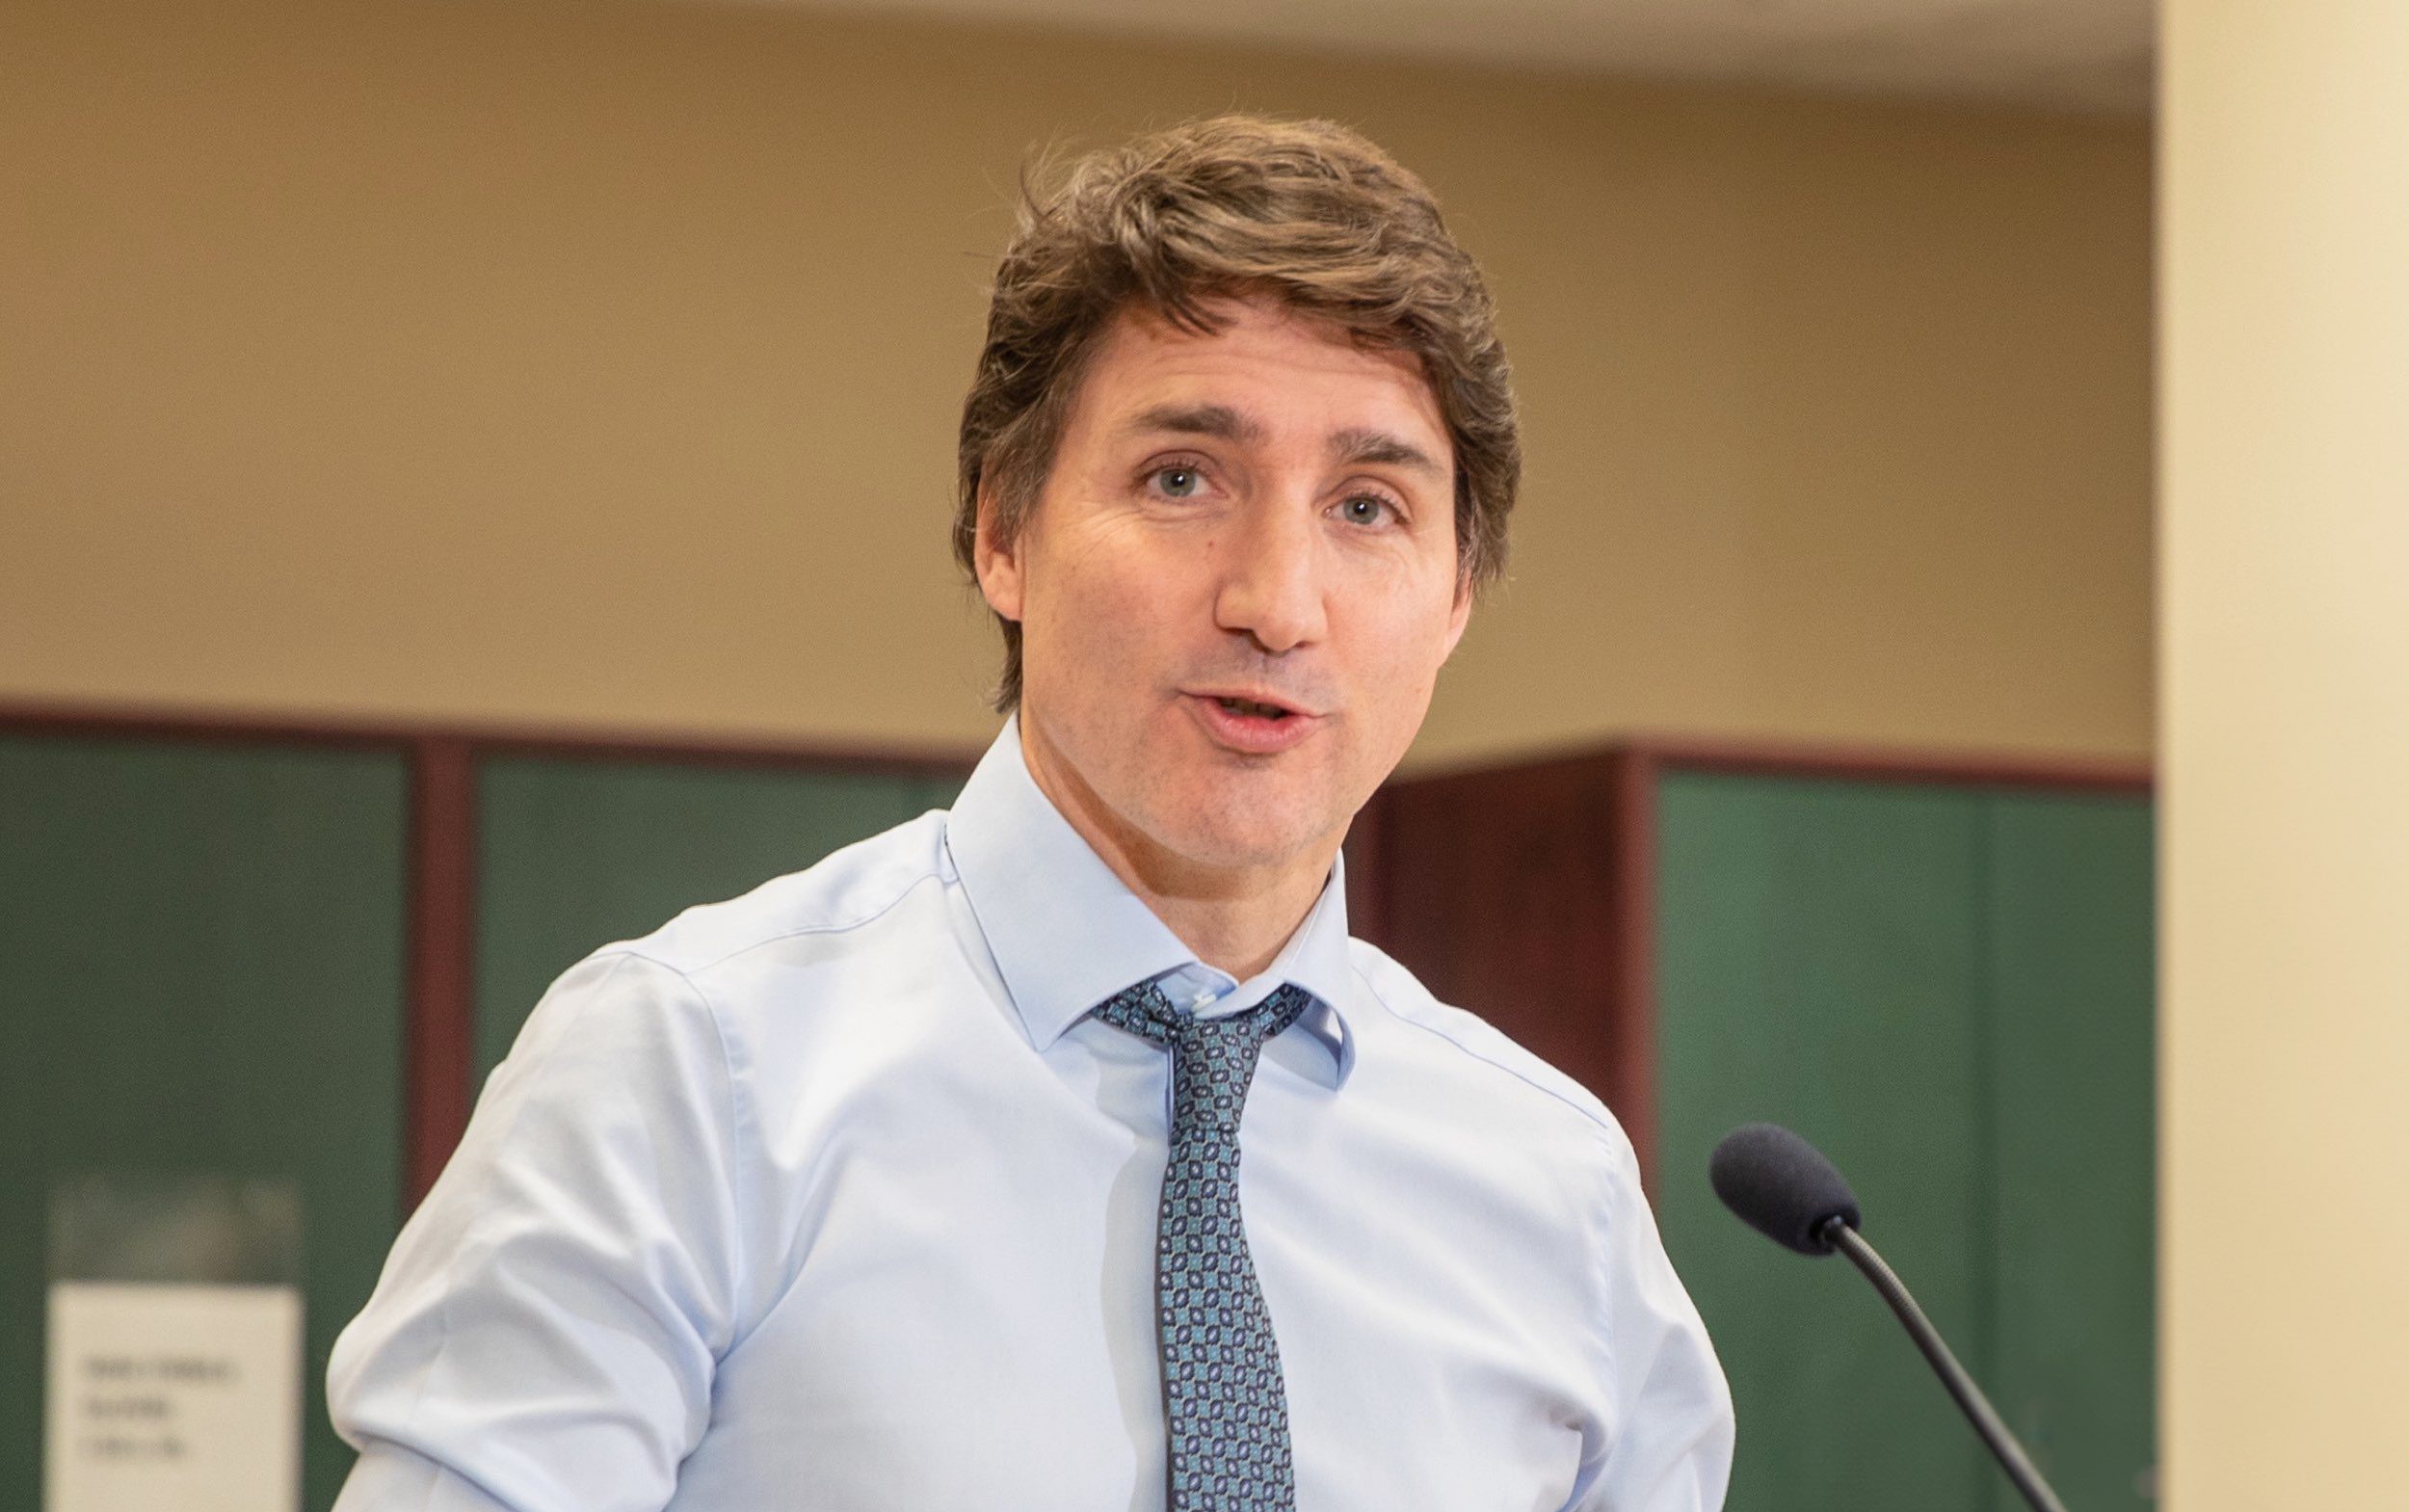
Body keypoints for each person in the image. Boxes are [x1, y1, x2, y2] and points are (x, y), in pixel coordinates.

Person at [327, 113, 1733, 1511]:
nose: (1278, 605)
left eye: (1369, 508)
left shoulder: (1556, 1192)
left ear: (1457, 597)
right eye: (1183, 479)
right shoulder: (691, 1076)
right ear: (1003, 528)